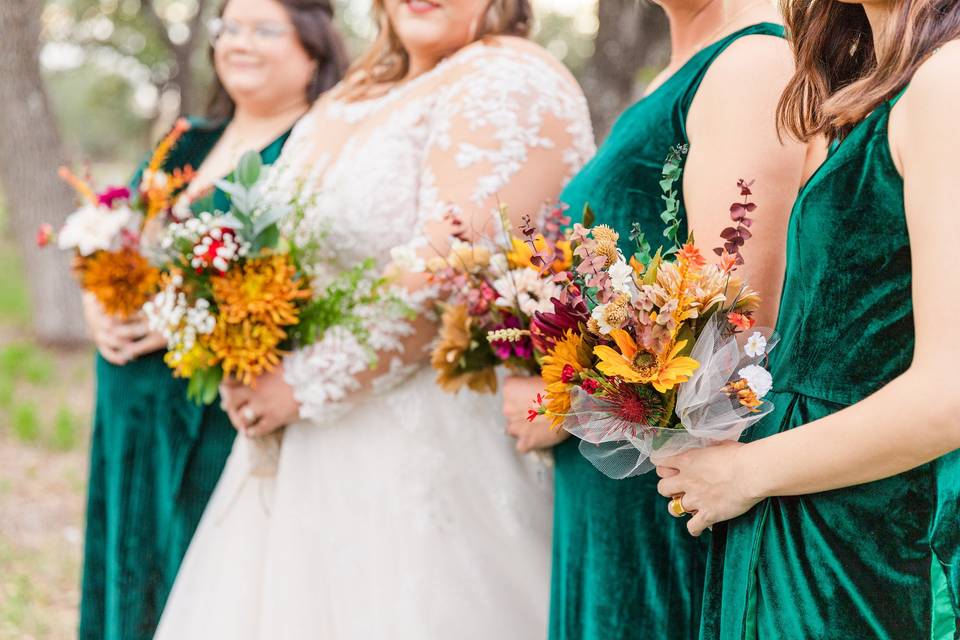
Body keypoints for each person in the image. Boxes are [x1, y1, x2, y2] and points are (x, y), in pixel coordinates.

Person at [154, 1, 595, 638]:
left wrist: (300, 385)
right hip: (302, 447)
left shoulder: (506, 77)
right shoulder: (353, 94)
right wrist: (240, 336)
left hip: (426, 446)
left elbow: (452, 277)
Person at [501, 0, 809, 637]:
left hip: (665, 495)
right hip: (614, 490)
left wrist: (568, 401)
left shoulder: (753, 60)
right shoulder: (681, 68)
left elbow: (736, 331)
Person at [654, 0, 960, 636]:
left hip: (877, 550)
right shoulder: (868, 91)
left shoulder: (946, 83)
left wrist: (745, 473)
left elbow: (951, 393)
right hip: (808, 524)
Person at [78, 1, 346, 638]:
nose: (239, 43)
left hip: (215, 408)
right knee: (124, 555)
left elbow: (316, 276)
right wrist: (97, 304)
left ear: (314, 45)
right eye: (229, 29)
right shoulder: (188, 140)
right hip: (130, 403)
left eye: (263, 29)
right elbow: (117, 238)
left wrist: (188, 319)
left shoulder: (315, 150)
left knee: (193, 575)